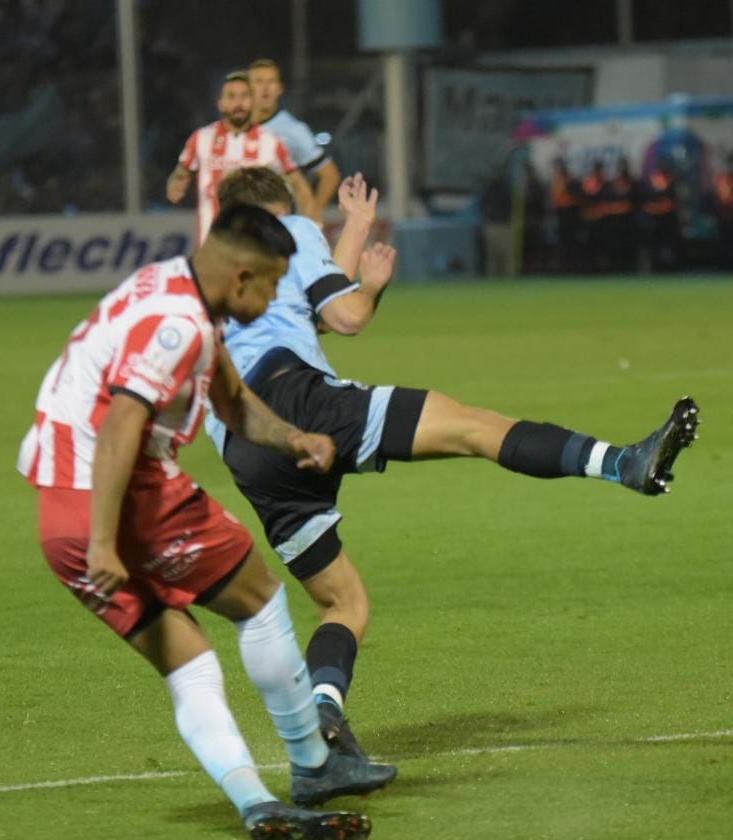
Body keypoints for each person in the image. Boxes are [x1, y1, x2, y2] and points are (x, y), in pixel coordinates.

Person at [205, 167, 701, 762]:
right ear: (276, 209)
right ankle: (623, 462)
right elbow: (347, 316)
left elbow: (298, 307)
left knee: (343, 605)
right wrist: (372, 284)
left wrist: (357, 229)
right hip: (300, 403)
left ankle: (324, 716)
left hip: (245, 451)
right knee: (474, 428)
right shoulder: (290, 229)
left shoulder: (208, 277)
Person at [17, 203, 396, 840]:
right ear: (243, 275)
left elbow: (230, 400)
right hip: (119, 497)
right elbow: (119, 426)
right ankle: (312, 761)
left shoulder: (170, 286)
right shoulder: (178, 325)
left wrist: (293, 436)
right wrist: (108, 539)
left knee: (188, 664)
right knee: (262, 601)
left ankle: (254, 801)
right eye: (276, 283)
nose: (280, 296)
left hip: (58, 519)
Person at [166, 71, 316, 245]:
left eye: (244, 96)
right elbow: (181, 172)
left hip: (257, 248)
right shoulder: (201, 139)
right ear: (220, 104)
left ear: (253, 101)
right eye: (231, 96)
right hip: (211, 247)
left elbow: (299, 186)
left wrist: (309, 223)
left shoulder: (270, 141)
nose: (238, 103)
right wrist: (176, 182)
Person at [248, 58, 342, 225]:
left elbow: (330, 175)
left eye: (271, 81)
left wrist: (313, 214)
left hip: (279, 224)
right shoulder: (236, 130)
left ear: (279, 89)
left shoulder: (293, 130)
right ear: (248, 88)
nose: (265, 88)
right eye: (259, 81)